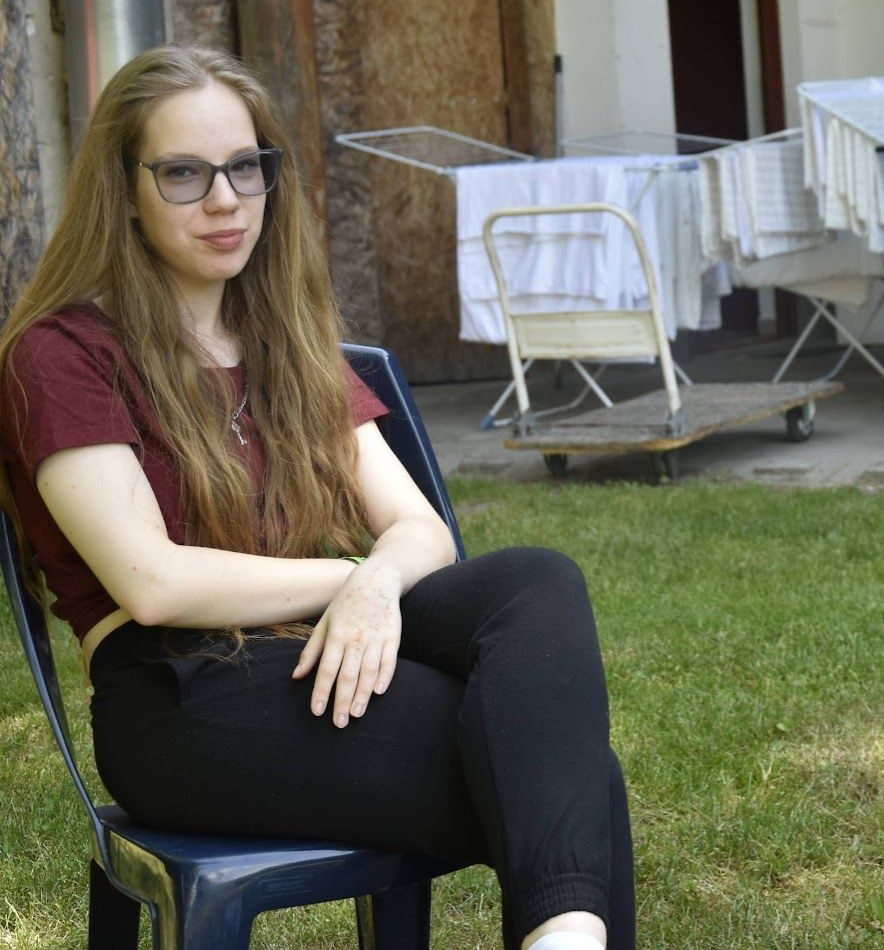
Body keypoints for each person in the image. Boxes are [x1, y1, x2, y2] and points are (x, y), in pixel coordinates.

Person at [0, 46, 631, 950]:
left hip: (305, 653)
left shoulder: (284, 343)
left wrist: (376, 583)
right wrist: (348, 579)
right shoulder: (61, 354)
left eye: (245, 166)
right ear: (124, 191)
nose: (226, 200)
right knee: (572, 778)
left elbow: (419, 529)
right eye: (183, 174)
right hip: (180, 694)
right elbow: (152, 582)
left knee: (534, 580)